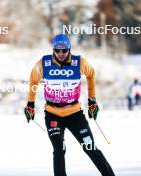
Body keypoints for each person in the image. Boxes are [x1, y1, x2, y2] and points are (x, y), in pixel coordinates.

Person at [24, 34, 115, 176]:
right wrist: (30, 104)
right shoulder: (44, 63)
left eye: (64, 50)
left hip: (74, 114)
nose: (60, 53)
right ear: (53, 49)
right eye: (57, 50)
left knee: (89, 147)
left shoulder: (79, 62)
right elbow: (33, 80)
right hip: (53, 114)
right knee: (58, 150)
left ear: (69, 49)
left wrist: (92, 100)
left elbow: (91, 74)